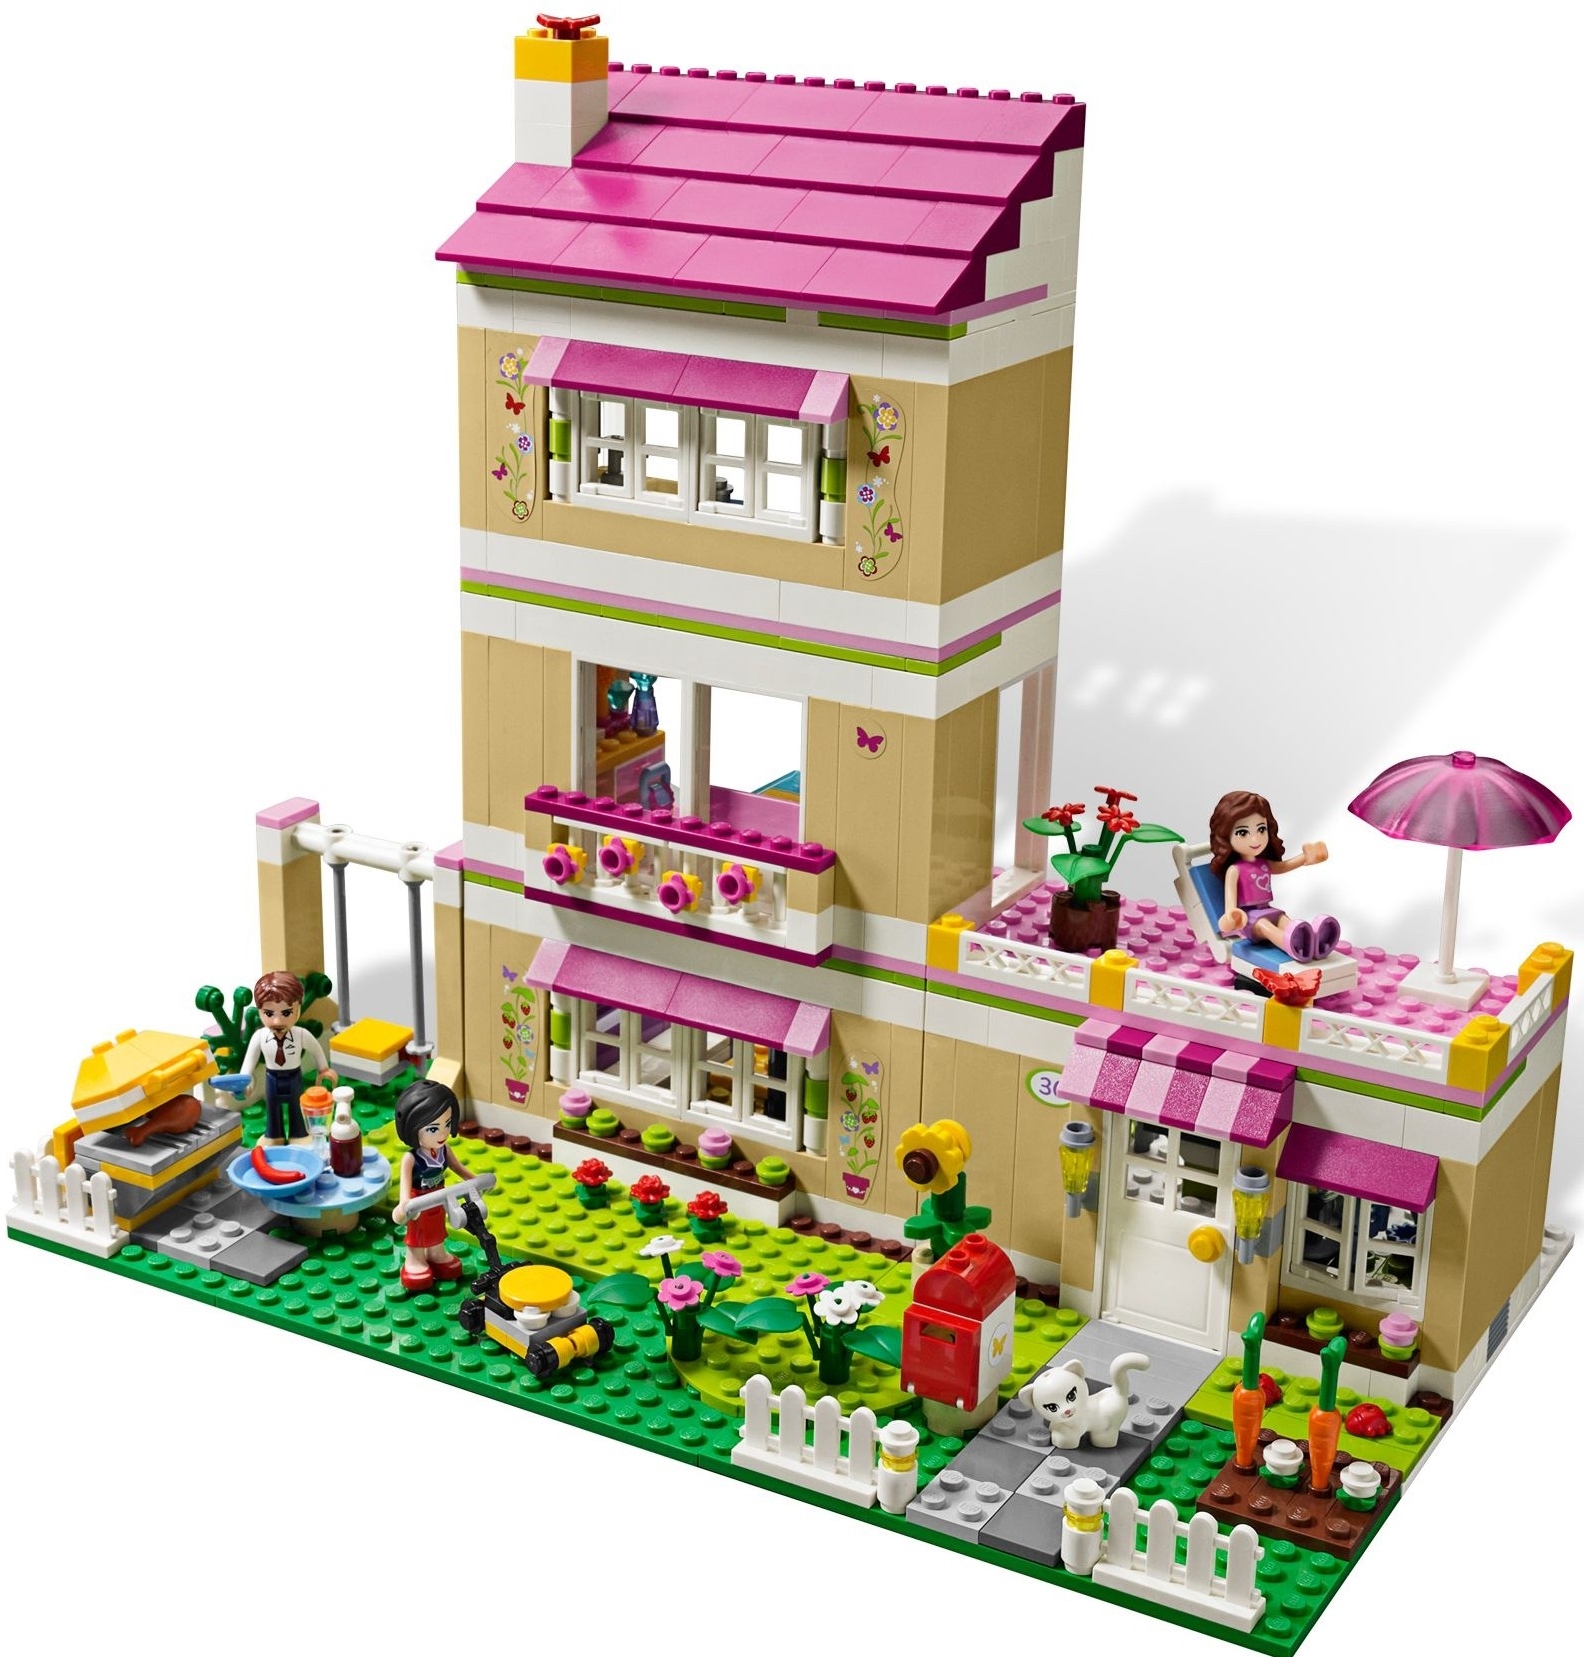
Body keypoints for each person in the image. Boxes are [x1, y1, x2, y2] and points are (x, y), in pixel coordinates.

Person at [1208, 790, 1339, 963]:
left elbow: (1284, 866)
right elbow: (1230, 906)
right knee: (1266, 927)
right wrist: (1231, 916)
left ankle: (1314, 941)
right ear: (1226, 837)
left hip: (1269, 909)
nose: (1255, 839)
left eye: (1261, 829)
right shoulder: (1234, 870)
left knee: (1286, 921)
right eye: (1243, 833)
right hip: (1249, 919)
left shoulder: (1263, 863)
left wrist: (1306, 858)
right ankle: (1291, 945)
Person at [234, 970, 338, 1145]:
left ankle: (299, 1134)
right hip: (271, 1078)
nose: (277, 1022)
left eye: (286, 1013)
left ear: (298, 1009)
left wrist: (323, 1069)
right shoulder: (259, 1037)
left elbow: (316, 1050)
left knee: (297, 1106)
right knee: (272, 1108)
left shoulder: (301, 1034)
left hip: (294, 1077)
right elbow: (248, 1064)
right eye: (269, 1014)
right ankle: (274, 1135)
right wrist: (245, 1081)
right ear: (259, 1011)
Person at [391, 1078, 474, 1293]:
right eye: (433, 1129)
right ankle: (414, 1260)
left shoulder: (444, 1150)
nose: (442, 1134)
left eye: (447, 1124)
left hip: (439, 1197)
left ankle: (436, 1254)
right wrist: (404, 1204)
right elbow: (405, 1188)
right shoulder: (411, 1158)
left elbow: (458, 1168)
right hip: (418, 1201)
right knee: (417, 1233)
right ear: (412, 1129)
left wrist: (473, 1179)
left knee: (437, 1228)